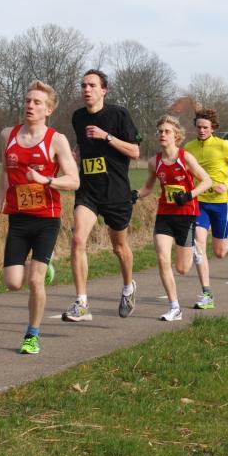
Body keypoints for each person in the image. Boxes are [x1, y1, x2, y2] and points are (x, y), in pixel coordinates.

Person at [0, 80, 79, 354]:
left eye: (37, 102)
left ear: (48, 110)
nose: (30, 105)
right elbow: (5, 172)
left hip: (46, 218)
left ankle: (32, 334)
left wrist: (46, 180)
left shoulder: (56, 140)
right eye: (28, 100)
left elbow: (74, 181)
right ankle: (45, 265)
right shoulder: (8, 135)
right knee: (13, 282)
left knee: (35, 281)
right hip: (18, 218)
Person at [62, 69, 141, 322]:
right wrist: (76, 152)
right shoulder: (78, 117)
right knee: (77, 240)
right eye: (83, 85)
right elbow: (83, 145)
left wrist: (107, 137)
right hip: (88, 191)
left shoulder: (119, 115)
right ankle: (82, 303)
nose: (86, 89)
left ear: (103, 90)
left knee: (119, 248)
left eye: (92, 85)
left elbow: (135, 151)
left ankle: (128, 288)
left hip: (116, 192)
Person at [135, 115, 211, 321]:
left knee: (183, 268)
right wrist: (134, 195)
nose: (162, 135)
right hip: (165, 215)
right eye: (160, 131)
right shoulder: (154, 162)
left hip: (186, 215)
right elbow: (148, 188)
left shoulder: (185, 157)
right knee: (162, 258)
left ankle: (194, 247)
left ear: (176, 136)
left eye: (167, 131)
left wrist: (188, 195)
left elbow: (207, 181)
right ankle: (174, 306)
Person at [184, 109, 228, 310]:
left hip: (221, 203)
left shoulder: (223, 145)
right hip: (199, 202)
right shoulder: (189, 147)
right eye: (199, 127)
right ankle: (207, 293)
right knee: (198, 244)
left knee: (219, 252)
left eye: (205, 127)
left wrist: (227, 184)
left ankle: (226, 236)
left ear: (213, 128)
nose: (201, 130)